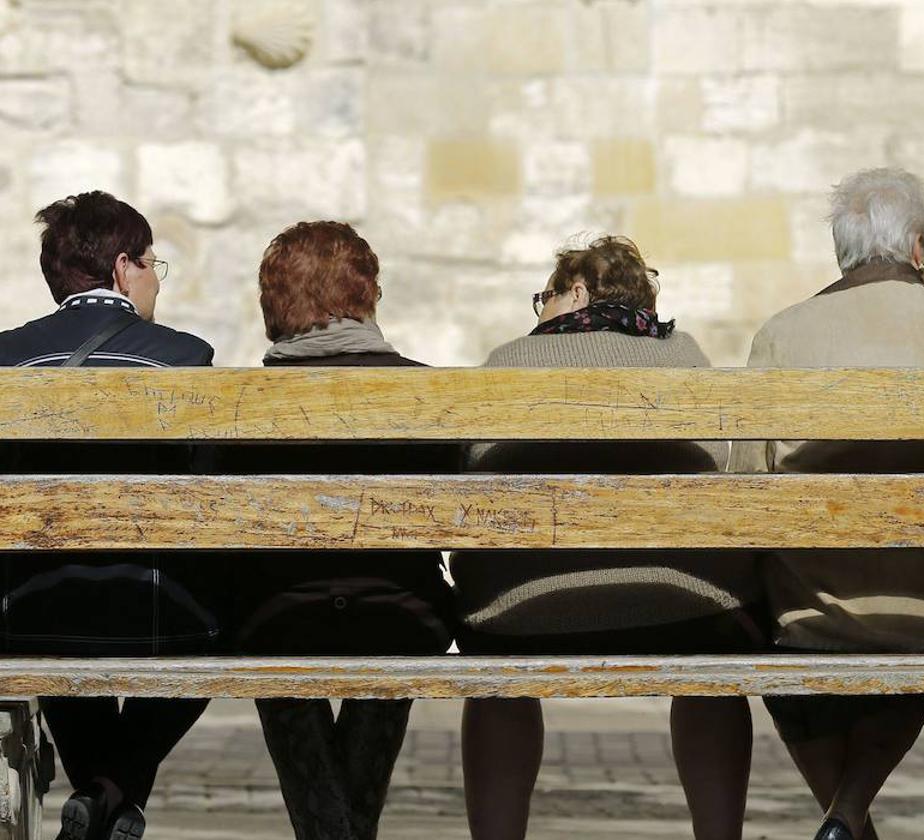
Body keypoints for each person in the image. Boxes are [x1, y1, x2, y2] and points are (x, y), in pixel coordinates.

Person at [729, 168, 924, 840]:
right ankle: (848, 818)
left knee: (792, 636)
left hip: (820, 608)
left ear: (844, 253)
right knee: (919, 614)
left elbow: (744, 490)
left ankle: (847, 817)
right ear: (918, 250)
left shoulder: (782, 334)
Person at [451, 235, 765, 840]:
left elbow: (471, 476)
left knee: (497, 681)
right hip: (686, 606)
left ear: (575, 292)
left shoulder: (508, 362)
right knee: (712, 672)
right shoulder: (688, 358)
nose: (538, 312)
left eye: (541, 298)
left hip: (518, 614)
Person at [219, 221, 457, 840]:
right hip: (405, 615)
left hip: (274, 618)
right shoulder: (435, 393)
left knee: (275, 645)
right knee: (391, 635)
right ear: (367, 293)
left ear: (275, 303)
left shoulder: (235, 403)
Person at [0, 191, 216, 840]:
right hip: (150, 606)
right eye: (153, 264)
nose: (156, 280)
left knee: (59, 608)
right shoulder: (187, 360)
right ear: (124, 268)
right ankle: (113, 791)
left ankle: (99, 793)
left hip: (26, 612)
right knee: (210, 628)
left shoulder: (5, 358)